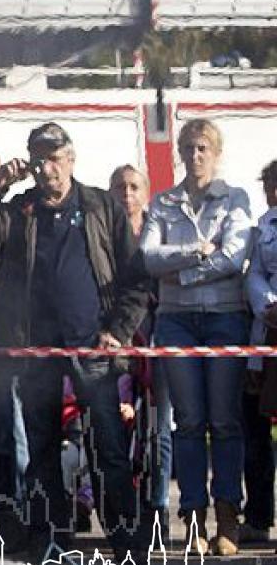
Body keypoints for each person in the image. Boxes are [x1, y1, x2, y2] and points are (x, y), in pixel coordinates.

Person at [0, 122, 148, 563]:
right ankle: (52, 540)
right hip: (34, 349)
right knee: (41, 449)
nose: (48, 169)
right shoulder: (20, 210)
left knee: (109, 446)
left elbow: (135, 278)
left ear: (71, 159)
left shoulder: (101, 206)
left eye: (55, 158)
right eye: (39, 159)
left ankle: (125, 542)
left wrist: (118, 330)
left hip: (93, 348)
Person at [141, 119, 252, 556]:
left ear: (216, 152)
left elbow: (233, 256)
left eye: (203, 146)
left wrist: (182, 274)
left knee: (224, 420)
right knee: (187, 423)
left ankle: (228, 515)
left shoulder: (235, 198)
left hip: (225, 317)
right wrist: (192, 251)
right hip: (176, 321)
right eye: (188, 147)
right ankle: (192, 518)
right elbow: (149, 258)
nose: (195, 154)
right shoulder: (163, 201)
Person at [108, 164, 175, 542]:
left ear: (146, 193)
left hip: (157, 334)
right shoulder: (103, 233)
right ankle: (121, 511)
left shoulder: (158, 230)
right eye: (120, 187)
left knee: (158, 428)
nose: (127, 194)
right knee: (116, 425)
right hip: (116, 338)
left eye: (134, 187)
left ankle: (158, 508)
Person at [244, 159, 277, 543]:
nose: (274, 193)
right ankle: (258, 517)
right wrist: (268, 306)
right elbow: (253, 273)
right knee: (256, 432)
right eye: (270, 185)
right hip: (265, 334)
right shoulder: (263, 226)